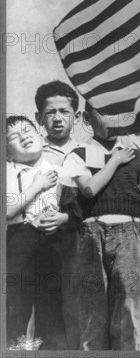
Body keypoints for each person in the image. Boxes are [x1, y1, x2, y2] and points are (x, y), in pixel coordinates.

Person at [66, 103, 140, 350]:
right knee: (93, 311)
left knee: (129, 307)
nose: (112, 120)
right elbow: (89, 188)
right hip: (92, 235)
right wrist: (115, 160)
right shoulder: (78, 153)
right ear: (86, 119)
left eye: (118, 114)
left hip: (129, 233)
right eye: (103, 114)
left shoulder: (137, 156)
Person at [5, 115, 67, 349]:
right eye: (13, 136)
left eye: (27, 130)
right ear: (8, 152)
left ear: (40, 136)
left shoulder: (58, 169)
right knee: (18, 306)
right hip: (19, 240)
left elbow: (73, 205)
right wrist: (37, 185)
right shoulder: (10, 170)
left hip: (52, 242)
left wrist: (63, 218)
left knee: (50, 306)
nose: (23, 136)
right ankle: (16, 349)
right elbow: (8, 209)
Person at [34, 80, 84, 350]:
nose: (57, 118)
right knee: (47, 313)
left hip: (78, 241)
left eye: (64, 112)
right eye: (50, 112)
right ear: (39, 117)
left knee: (77, 311)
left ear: (75, 116)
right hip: (42, 242)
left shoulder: (89, 154)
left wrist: (67, 218)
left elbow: (95, 199)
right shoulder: (31, 154)